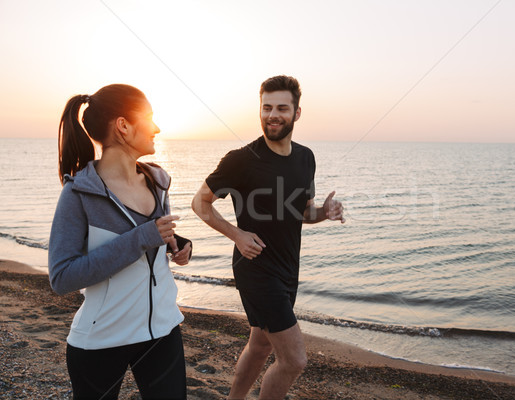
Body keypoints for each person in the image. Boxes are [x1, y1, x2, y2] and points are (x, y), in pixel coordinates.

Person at [191, 75, 345, 400]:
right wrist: (237, 235)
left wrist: (325, 213)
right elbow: (199, 202)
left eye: (282, 108)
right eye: (267, 107)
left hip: (289, 269)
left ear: (297, 113)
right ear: (259, 109)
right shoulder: (242, 159)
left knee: (260, 345)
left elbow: (303, 213)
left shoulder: (306, 158)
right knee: (294, 360)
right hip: (255, 268)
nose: (273, 115)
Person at [49, 84, 192, 400]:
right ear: (123, 126)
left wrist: (178, 246)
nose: (156, 128)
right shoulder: (79, 194)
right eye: (149, 118)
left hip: (163, 330)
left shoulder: (158, 182)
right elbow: (61, 277)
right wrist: (142, 238)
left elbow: (156, 239)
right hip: (101, 339)